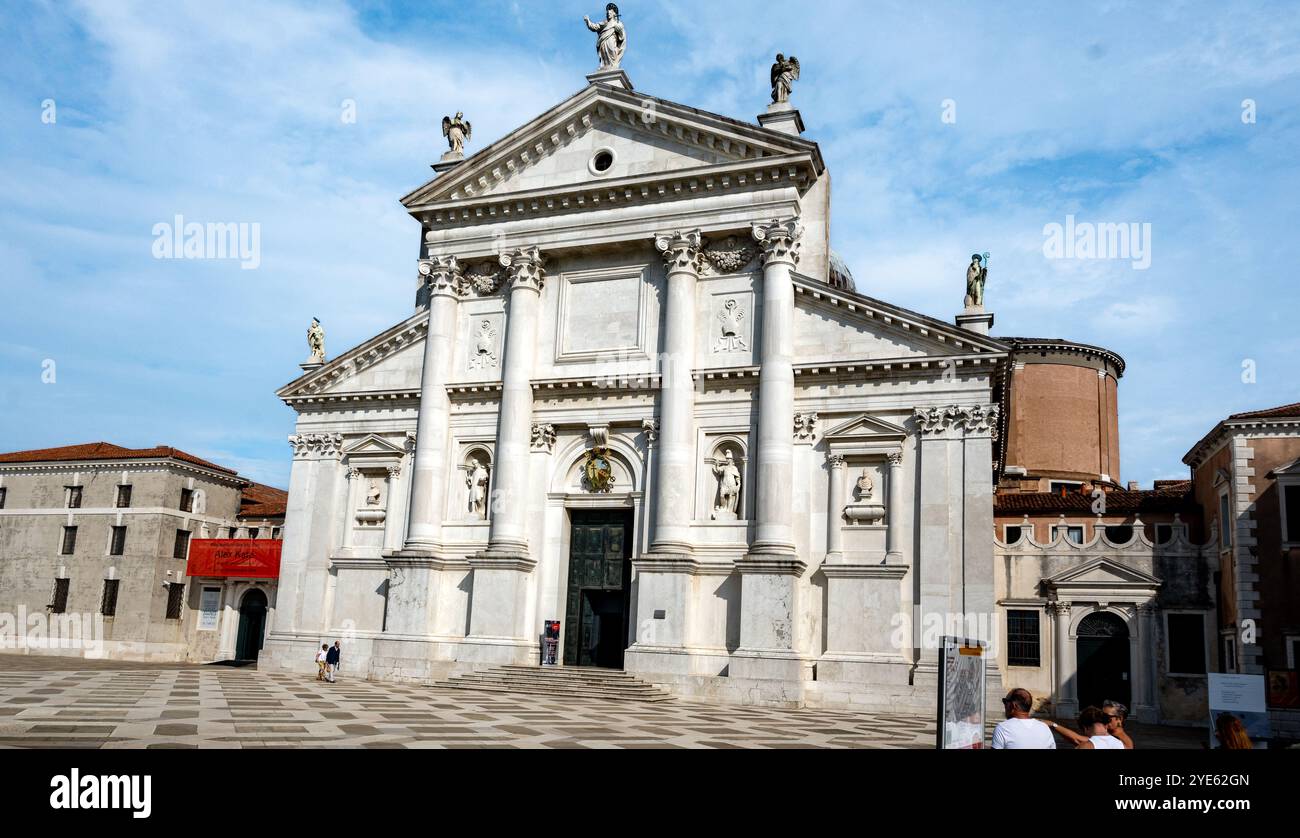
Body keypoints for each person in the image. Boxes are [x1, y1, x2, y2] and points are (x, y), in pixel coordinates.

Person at [991, 688, 1056, 749]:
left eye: (1005, 701)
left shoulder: (1002, 728)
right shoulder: (1044, 728)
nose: (1004, 705)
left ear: (1014, 705)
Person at [1045, 706, 1126, 749]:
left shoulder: (1086, 746)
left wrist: (1052, 724)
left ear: (1085, 728)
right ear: (1105, 724)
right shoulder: (1121, 745)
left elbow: (1076, 738)